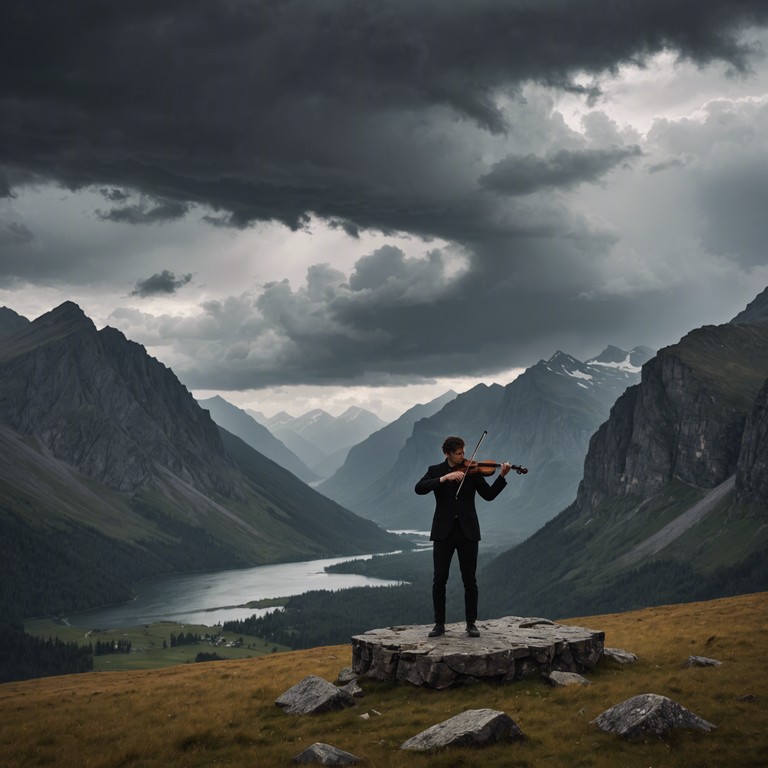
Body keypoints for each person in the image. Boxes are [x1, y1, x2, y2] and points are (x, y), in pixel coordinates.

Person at [414, 435, 512, 638]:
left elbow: (489, 495)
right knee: (439, 579)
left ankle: (471, 624)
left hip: (468, 532)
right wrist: (444, 479)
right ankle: (439, 625)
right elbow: (419, 488)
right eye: (459, 454)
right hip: (443, 533)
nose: (463, 457)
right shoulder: (436, 471)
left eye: (463, 453)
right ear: (447, 454)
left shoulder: (473, 472)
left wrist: (501, 476)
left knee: (470, 580)